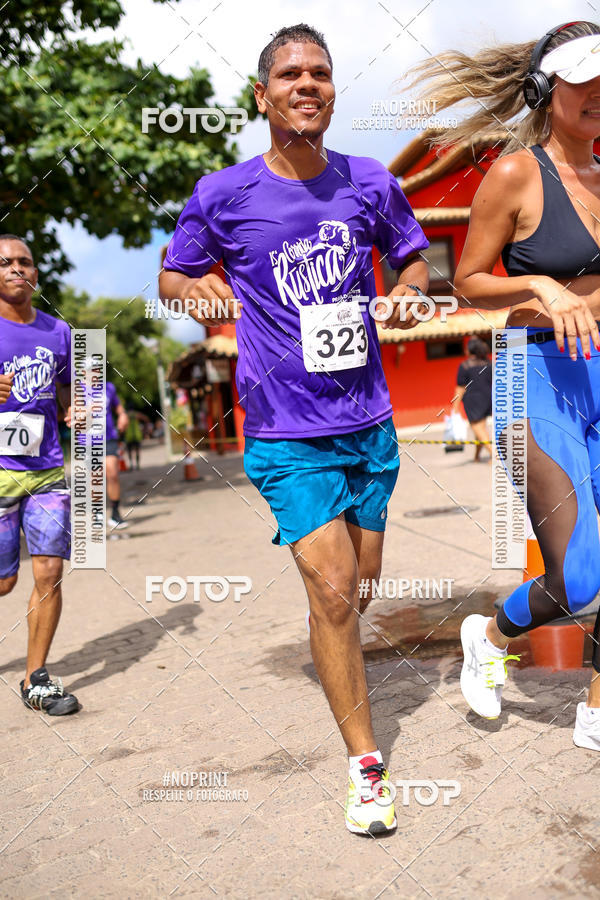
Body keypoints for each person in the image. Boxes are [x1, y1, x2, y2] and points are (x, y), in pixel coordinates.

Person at [159, 24, 430, 833]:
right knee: (335, 589)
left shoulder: (370, 182)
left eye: (320, 73)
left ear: (333, 92)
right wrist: (192, 292)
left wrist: (412, 289)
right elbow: (174, 272)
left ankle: (338, 639)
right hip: (283, 429)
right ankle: (366, 766)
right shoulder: (223, 193)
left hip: (371, 423)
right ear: (262, 95)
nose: (306, 84)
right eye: (290, 74)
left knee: (361, 584)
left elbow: (412, 256)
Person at [412, 22, 600, 749]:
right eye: (582, 80)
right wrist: (541, 287)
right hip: (533, 376)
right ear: (546, 91)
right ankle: (490, 636)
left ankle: (593, 710)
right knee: (579, 577)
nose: (597, 94)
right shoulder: (519, 173)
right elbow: (469, 281)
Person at [0, 234, 79, 715]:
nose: (15, 268)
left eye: (24, 262)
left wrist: (75, 411)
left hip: (47, 468)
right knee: (4, 583)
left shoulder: (58, 331)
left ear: (35, 273)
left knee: (49, 571)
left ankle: (36, 679)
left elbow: (72, 387)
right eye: (4, 262)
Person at [452, 337, 492, 461]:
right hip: (487, 398)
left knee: (478, 428)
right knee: (480, 429)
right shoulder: (488, 364)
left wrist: (455, 406)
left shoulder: (465, 366)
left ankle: (495, 455)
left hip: (473, 400)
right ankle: (477, 456)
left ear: (469, 350)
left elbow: (460, 388)